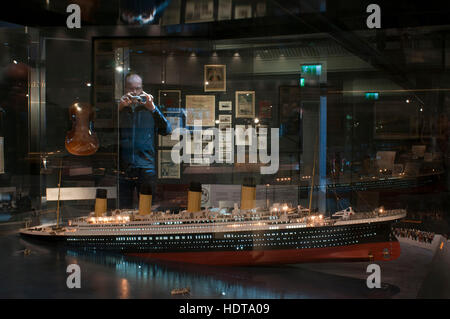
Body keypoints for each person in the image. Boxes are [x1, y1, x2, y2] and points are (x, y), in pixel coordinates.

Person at [118, 73, 172, 209]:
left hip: (146, 166)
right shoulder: (120, 109)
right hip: (124, 167)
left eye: (137, 88)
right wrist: (118, 109)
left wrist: (153, 109)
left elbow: (166, 130)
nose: (134, 92)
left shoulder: (150, 108)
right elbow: (105, 132)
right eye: (131, 88)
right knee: (124, 209)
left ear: (142, 90)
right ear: (125, 89)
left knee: (147, 208)